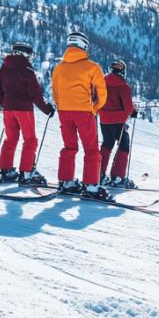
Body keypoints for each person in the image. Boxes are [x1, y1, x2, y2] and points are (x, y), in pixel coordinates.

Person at [50, 31, 108, 199]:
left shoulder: (59, 68)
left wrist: (61, 106)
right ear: (84, 46)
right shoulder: (92, 67)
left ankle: (66, 181)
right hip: (84, 111)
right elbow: (102, 93)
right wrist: (94, 108)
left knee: (69, 147)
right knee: (91, 149)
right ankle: (91, 186)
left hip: (64, 112)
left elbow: (55, 91)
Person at [0, 40, 54, 185]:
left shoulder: (4, 67)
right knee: (30, 140)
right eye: (29, 55)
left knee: (10, 139)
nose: (30, 58)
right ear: (24, 54)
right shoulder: (27, 70)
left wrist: (3, 102)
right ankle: (26, 172)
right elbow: (35, 94)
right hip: (24, 109)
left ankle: (6, 170)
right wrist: (47, 109)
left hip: (8, 109)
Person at [97, 59, 138, 188]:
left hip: (104, 119)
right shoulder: (123, 86)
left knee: (107, 144)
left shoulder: (101, 83)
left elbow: (96, 100)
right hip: (119, 120)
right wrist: (133, 111)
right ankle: (117, 177)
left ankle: (99, 174)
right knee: (124, 145)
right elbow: (128, 107)